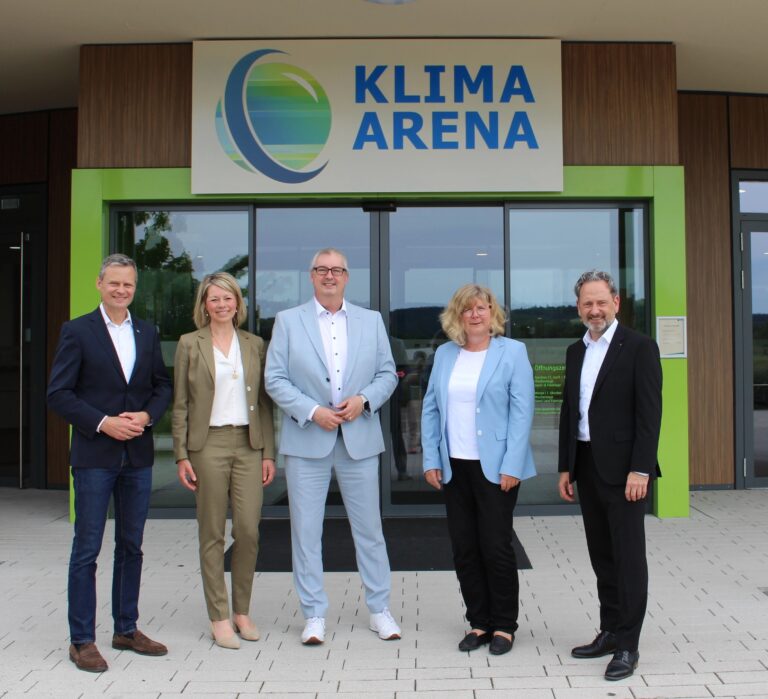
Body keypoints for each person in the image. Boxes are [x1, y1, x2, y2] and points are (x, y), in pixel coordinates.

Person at [265, 247, 400, 645]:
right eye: (322, 270)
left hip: (359, 440)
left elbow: (388, 373)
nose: (329, 276)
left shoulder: (371, 321)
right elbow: (275, 379)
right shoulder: (288, 321)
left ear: (346, 276)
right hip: (308, 440)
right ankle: (313, 615)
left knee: (369, 530)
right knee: (306, 532)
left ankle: (379, 610)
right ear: (311, 276)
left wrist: (363, 400)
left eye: (337, 270)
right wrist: (310, 411)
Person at [47, 253, 172, 673]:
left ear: (135, 289)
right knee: (87, 549)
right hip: (95, 455)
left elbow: (161, 386)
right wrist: (103, 423)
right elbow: (58, 393)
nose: (122, 290)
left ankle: (126, 628)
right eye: (114, 283)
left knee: (131, 545)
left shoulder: (147, 332)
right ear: (100, 284)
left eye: (129, 285)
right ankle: (81, 640)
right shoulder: (77, 331)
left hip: (136, 455)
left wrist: (147, 416)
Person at [558, 269, 662, 681]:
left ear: (616, 303)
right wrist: (566, 465)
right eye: (587, 303)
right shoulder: (574, 350)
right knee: (602, 555)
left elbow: (649, 415)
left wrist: (641, 468)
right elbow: (571, 411)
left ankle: (629, 645)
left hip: (625, 473)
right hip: (586, 465)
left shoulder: (639, 347)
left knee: (628, 558)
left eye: (602, 301)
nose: (595, 309)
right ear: (578, 307)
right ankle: (610, 630)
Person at [421, 284, 536, 656]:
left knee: (496, 547)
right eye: (467, 309)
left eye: (482, 308)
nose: (475, 315)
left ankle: (504, 625)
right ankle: (479, 622)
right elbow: (430, 409)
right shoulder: (444, 354)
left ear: (492, 313)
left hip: (497, 469)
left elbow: (522, 412)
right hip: (455, 466)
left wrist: (513, 465)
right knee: (465, 548)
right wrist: (431, 459)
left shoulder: (512, 352)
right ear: (456, 315)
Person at [172, 272, 276, 650]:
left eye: (227, 298)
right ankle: (219, 616)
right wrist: (181, 453)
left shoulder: (254, 343)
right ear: (204, 304)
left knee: (248, 530)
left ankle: (242, 611)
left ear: (237, 303)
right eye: (213, 299)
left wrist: (268, 452)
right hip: (208, 444)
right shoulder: (189, 343)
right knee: (212, 533)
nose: (221, 305)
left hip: (248, 445)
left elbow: (264, 403)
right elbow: (181, 402)